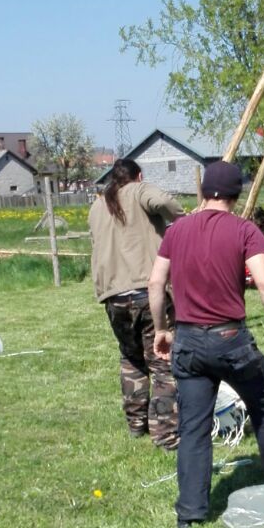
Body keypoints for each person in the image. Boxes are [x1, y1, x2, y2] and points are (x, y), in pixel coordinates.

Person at [149, 159, 264, 528]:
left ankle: (190, 515)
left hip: (187, 340)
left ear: (204, 192)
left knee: (194, 427)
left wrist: (161, 329)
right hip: (230, 340)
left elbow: (155, 283)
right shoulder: (244, 230)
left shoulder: (176, 230)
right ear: (236, 195)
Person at [89, 156, 184, 448]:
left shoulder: (97, 205)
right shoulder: (139, 190)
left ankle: (136, 424)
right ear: (139, 176)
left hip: (113, 296)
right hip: (147, 292)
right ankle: (165, 433)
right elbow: (164, 201)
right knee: (162, 361)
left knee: (131, 358)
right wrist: (180, 219)